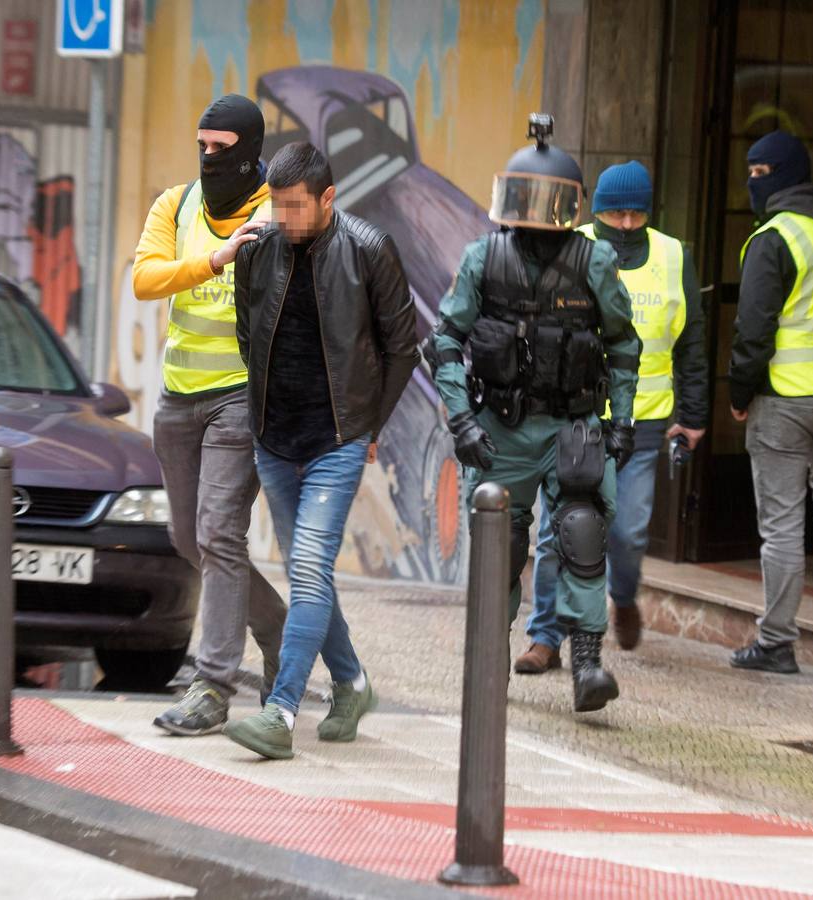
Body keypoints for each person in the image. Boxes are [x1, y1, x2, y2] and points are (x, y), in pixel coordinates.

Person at [431, 114, 642, 714]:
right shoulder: (483, 258)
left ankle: (585, 662)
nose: (536, 212)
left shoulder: (593, 262)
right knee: (499, 541)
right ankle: (489, 655)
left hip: (574, 425)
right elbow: (445, 341)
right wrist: (460, 421)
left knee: (581, 530)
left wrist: (621, 421)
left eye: (549, 200)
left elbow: (624, 345)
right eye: (526, 197)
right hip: (500, 427)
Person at [224, 142, 418, 759]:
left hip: (337, 439)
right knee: (308, 573)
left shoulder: (369, 249)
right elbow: (246, 331)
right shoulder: (259, 250)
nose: (283, 217)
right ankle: (353, 682)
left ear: (327, 198)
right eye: (276, 204)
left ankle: (280, 712)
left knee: (307, 569)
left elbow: (403, 346)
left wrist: (370, 428)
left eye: (295, 206)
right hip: (274, 439)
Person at [131, 94, 286, 736]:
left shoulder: (276, 214)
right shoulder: (176, 203)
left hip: (239, 398)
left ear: (250, 152)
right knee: (188, 538)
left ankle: (213, 686)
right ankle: (279, 628)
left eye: (221, 149)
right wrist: (216, 260)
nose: (208, 158)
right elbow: (146, 279)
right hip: (178, 396)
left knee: (220, 533)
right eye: (202, 145)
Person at [518, 161, 709, 672]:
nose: (625, 224)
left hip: (645, 425)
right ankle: (545, 637)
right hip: (575, 418)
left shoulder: (672, 255)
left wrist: (693, 413)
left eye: (635, 213)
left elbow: (691, 340)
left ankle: (622, 596)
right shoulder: (568, 244)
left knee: (627, 534)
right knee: (559, 530)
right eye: (615, 213)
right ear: (597, 210)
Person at [728, 131, 813, 673]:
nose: (752, 183)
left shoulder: (775, 238)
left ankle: (777, 641)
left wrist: (740, 393)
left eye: (760, 173)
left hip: (785, 400)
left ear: (785, 175)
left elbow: (752, 330)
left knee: (781, 524)